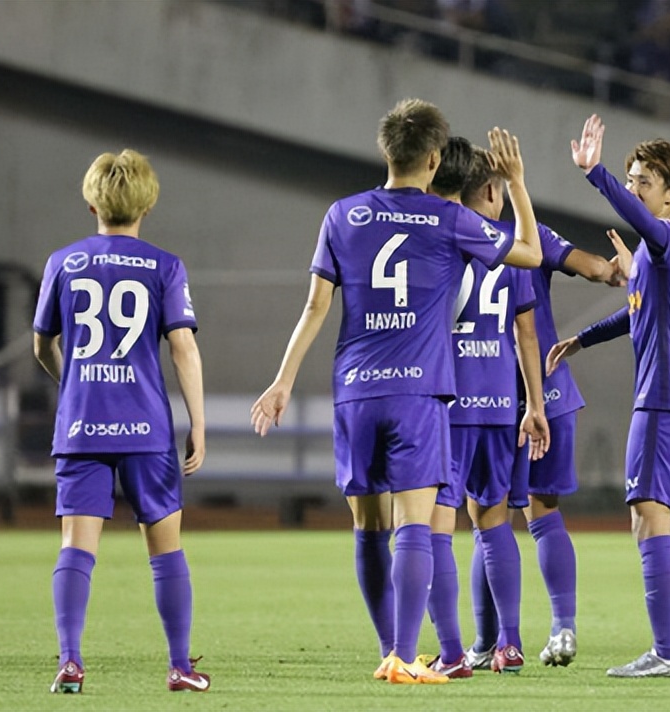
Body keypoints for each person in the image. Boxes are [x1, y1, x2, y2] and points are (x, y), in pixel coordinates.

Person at [249, 98, 543, 685]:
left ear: (387, 152)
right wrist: (515, 183)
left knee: (367, 526)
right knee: (415, 524)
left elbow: (315, 306)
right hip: (420, 392)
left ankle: (388, 648)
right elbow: (530, 254)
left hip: (356, 389)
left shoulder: (343, 215)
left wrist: (282, 380)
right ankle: (406, 656)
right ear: (435, 159)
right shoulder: (446, 217)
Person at [547, 114, 670, 677]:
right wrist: (584, 337)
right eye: (629, 179)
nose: (633, 191)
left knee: (648, 518)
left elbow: (643, 225)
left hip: (665, 402)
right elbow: (641, 315)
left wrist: (595, 175)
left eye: (641, 182)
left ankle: (667, 652)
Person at [35, 149, 209, 693]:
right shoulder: (164, 265)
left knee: (76, 546)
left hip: (82, 422)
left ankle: (70, 661)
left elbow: (43, 343)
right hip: (146, 426)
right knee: (165, 549)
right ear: (148, 204)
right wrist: (197, 423)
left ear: (91, 203)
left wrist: (73, 384)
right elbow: (182, 348)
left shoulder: (62, 262)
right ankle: (180, 666)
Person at [465, 172, 629, 672]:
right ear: (498, 191)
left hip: (486, 397)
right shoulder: (532, 235)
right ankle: (563, 626)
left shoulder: (448, 235)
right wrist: (617, 267)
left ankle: (487, 641)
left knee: (489, 520)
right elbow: (598, 269)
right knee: (546, 515)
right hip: (551, 396)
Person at [422, 139, 548, 679]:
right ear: (493, 191)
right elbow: (527, 333)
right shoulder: (508, 246)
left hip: (447, 400)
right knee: (493, 520)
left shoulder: (438, 236)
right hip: (500, 401)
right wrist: (534, 404)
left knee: (432, 526)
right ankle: (509, 644)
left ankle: (452, 651)